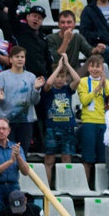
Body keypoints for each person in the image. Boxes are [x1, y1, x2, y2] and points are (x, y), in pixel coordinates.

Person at [0, 48, 44, 156]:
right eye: (17, 57)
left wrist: (36, 89)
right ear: (11, 59)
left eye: (22, 57)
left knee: (22, 153)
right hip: (7, 121)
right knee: (7, 153)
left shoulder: (31, 77)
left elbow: (35, 101)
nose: (20, 59)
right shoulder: (3, 76)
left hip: (26, 121)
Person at [42, 56, 80, 185]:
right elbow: (47, 84)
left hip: (67, 128)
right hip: (52, 128)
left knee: (66, 158)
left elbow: (78, 80)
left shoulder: (68, 89)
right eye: (57, 76)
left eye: (62, 76)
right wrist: (58, 67)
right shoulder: (49, 90)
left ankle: (66, 185)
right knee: (49, 159)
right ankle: (47, 186)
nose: (59, 79)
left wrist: (67, 65)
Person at [77, 55, 109, 184]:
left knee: (102, 159)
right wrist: (97, 88)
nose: (94, 69)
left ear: (102, 68)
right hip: (88, 123)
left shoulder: (107, 83)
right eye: (92, 66)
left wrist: (105, 86)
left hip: (104, 124)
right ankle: (85, 187)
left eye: (97, 66)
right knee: (87, 159)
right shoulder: (83, 81)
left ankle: (101, 186)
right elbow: (84, 100)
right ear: (88, 67)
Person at [0, 118, 30, 216]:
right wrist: (11, 161)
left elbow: (26, 172)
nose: (1, 131)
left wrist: (18, 156)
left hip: (13, 186)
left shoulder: (17, 148)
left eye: (4, 128)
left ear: (9, 131)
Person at [9, 5, 52, 80]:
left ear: (42, 22)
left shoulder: (43, 38)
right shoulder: (19, 29)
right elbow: (11, 16)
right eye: (34, 16)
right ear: (27, 17)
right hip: (23, 76)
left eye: (40, 18)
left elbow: (48, 59)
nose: (36, 19)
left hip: (41, 77)